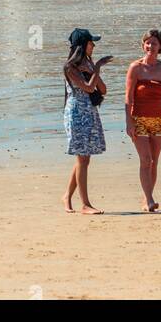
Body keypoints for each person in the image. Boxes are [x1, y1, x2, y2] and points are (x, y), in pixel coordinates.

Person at [125, 30, 161, 214]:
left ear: (160, 46)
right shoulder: (135, 68)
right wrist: (128, 122)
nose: (150, 46)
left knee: (154, 161)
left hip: (159, 119)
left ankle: (147, 197)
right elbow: (128, 98)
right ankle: (149, 199)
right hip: (138, 119)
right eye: (147, 43)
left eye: (154, 43)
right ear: (143, 45)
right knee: (145, 160)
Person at [62, 28, 111, 215]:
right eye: (91, 43)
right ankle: (85, 204)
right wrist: (97, 67)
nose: (94, 46)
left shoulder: (88, 64)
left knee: (84, 159)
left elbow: (103, 89)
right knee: (82, 158)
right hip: (76, 113)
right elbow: (89, 88)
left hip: (89, 111)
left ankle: (67, 195)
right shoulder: (70, 67)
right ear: (83, 45)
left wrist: (93, 69)